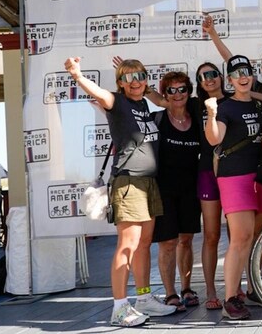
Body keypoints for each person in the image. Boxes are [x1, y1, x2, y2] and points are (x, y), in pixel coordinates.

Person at [64, 57, 176, 327]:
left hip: (149, 182)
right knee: (127, 245)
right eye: (128, 78)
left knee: (143, 244)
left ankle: (143, 297)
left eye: (140, 76)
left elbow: (160, 102)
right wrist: (78, 76)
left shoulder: (142, 105)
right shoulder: (117, 101)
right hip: (128, 183)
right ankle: (119, 307)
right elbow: (100, 93)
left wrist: (140, 83)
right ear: (119, 84)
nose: (135, 81)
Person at [203, 17, 262, 305]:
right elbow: (214, 139)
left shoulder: (261, 104)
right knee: (241, 238)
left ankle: (251, 289)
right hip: (234, 176)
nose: (242, 75)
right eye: (236, 73)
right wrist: (211, 114)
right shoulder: (225, 106)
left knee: (257, 236)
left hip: (261, 177)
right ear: (230, 79)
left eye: (246, 71)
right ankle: (231, 297)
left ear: (252, 74)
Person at [151, 71, 201, 312]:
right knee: (168, 242)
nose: (178, 94)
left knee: (187, 240)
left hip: (190, 189)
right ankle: (170, 293)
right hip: (163, 190)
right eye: (172, 90)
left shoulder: (197, 117)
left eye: (182, 89)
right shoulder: (156, 119)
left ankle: (187, 288)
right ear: (164, 94)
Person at [193, 63, 230, 311]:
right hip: (207, 171)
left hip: (234, 171)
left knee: (238, 236)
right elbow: (163, 101)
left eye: (213, 74)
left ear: (221, 76)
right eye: (203, 76)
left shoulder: (235, 98)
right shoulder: (195, 104)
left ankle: (237, 288)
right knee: (211, 235)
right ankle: (210, 289)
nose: (209, 79)